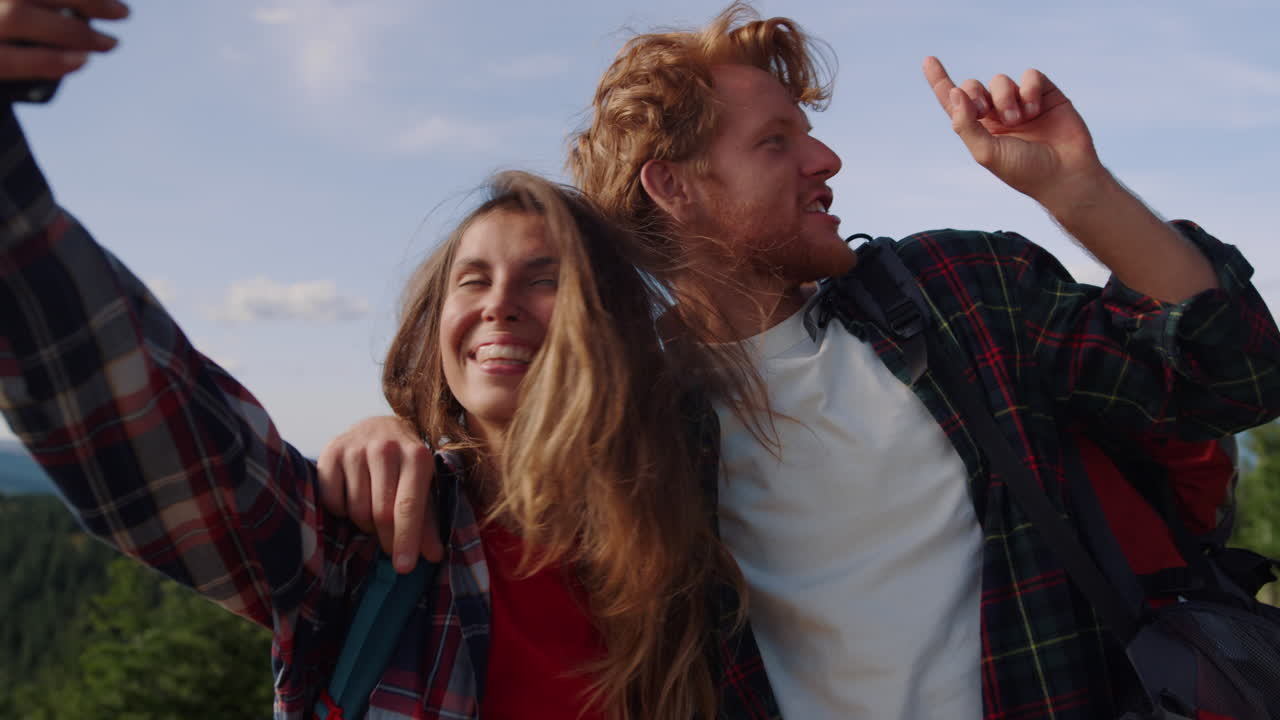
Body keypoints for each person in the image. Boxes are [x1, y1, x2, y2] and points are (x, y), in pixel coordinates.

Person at [321, 3, 1280, 719]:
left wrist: (1082, 192)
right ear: (677, 187)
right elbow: (498, 477)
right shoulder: (635, 414)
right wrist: (392, 431)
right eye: (776, 141)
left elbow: (1231, 370)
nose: (824, 159)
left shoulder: (956, 294)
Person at [0, 5, 764, 718]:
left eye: (545, 279)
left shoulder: (706, 522)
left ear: (614, 327)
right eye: (474, 279)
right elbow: (135, 411)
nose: (498, 304)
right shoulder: (378, 545)